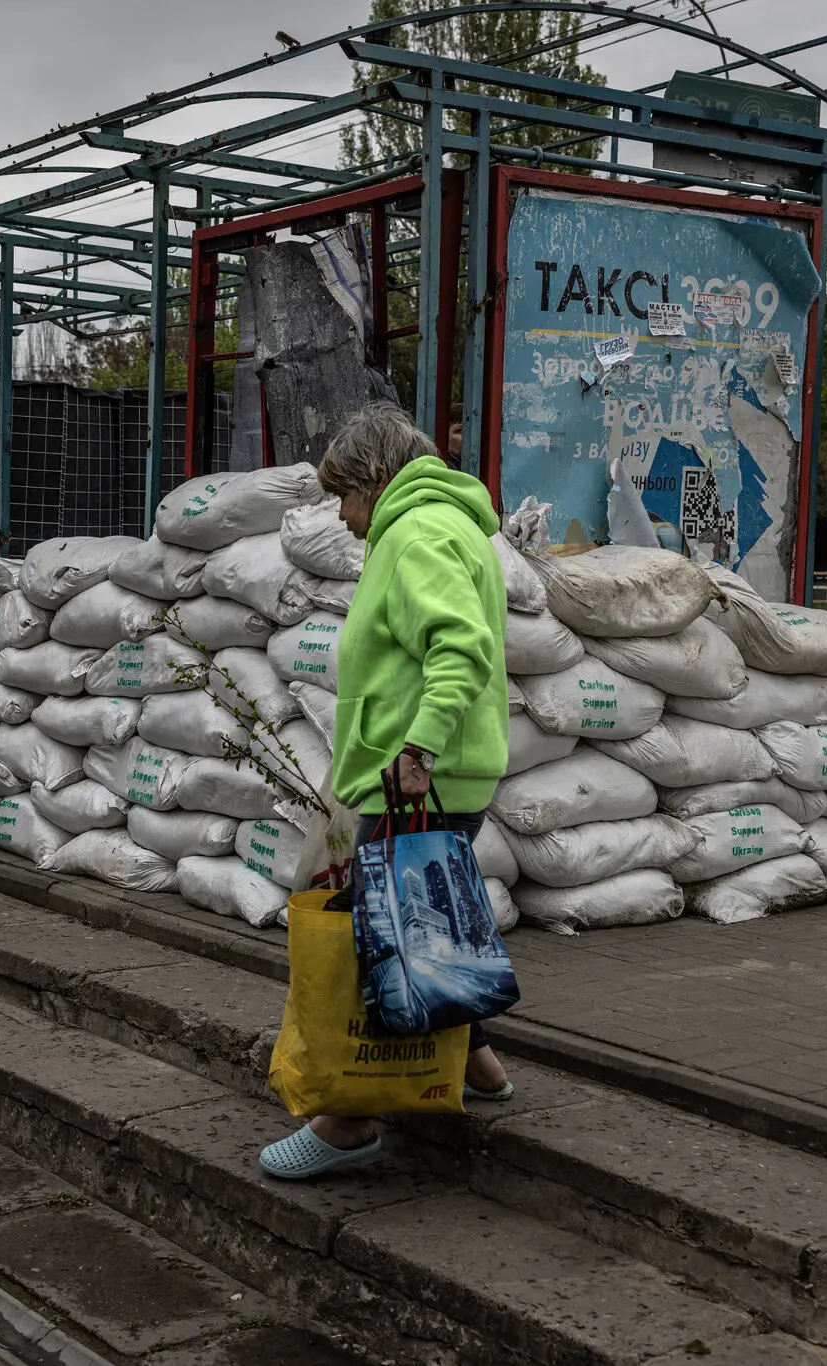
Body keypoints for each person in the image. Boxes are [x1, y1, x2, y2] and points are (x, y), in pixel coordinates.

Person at [261, 401, 512, 1181]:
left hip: (418, 776)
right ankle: (479, 1065)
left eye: (345, 496)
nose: (341, 515)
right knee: (426, 916)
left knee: (386, 935)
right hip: (424, 770)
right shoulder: (439, 525)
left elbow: (459, 648)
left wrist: (419, 748)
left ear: (375, 482)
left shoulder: (416, 534)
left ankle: (349, 1121)